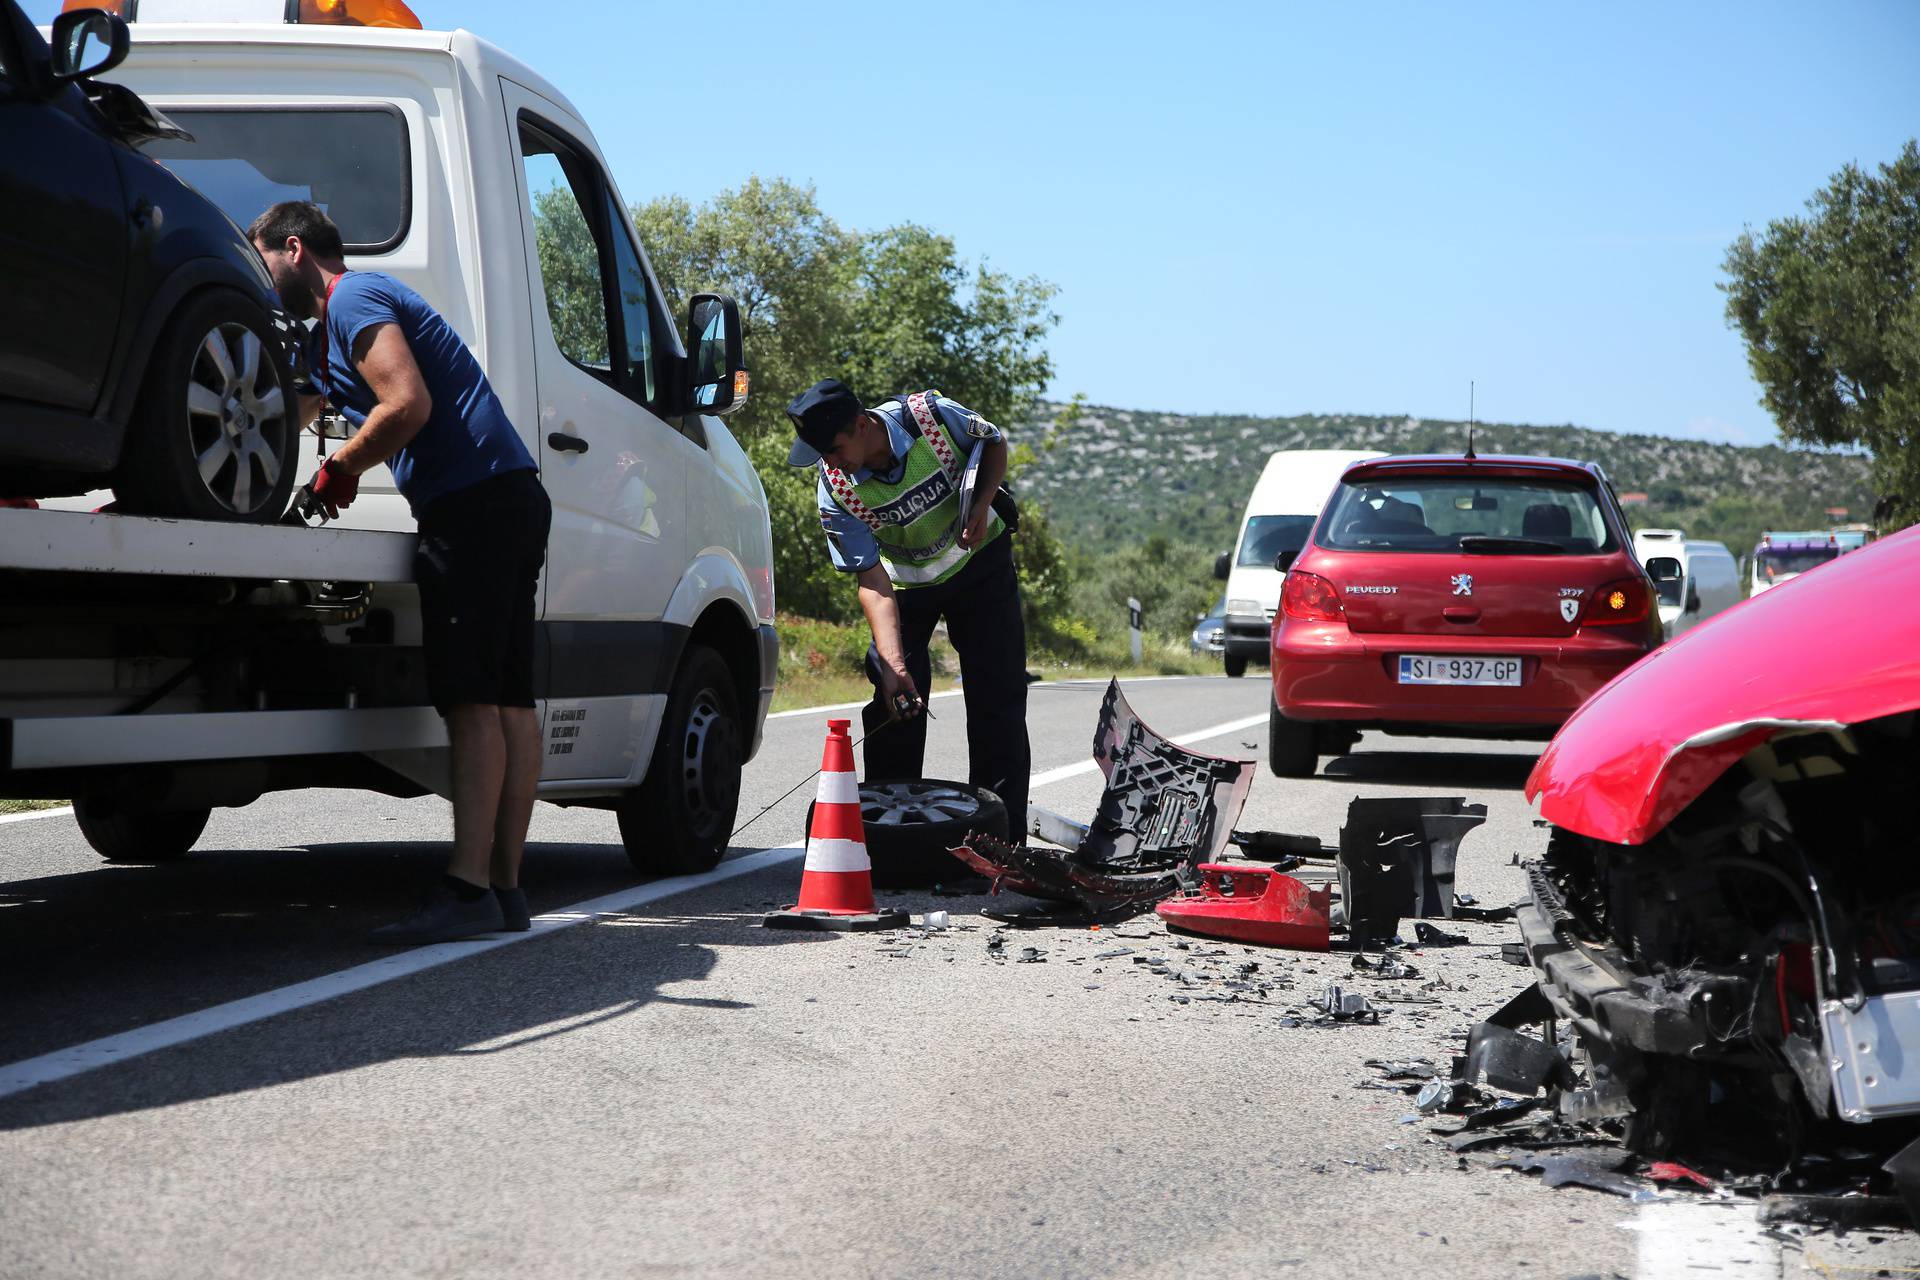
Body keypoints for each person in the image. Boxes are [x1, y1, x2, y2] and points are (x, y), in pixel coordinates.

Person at [250, 201, 550, 945]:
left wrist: (340, 469)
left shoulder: (353, 296)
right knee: (511, 700)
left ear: (294, 249)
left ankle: (467, 891)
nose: (263, 279)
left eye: (263, 262)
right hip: (510, 496)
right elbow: (299, 406)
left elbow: (405, 403)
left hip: (470, 508)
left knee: (473, 703)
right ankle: (506, 890)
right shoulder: (336, 333)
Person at [787, 378, 1030, 837]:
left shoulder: (932, 417)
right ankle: (888, 833)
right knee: (893, 694)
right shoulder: (835, 486)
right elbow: (872, 579)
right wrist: (895, 664)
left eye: (834, 447)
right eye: (820, 453)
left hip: (982, 568)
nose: (830, 461)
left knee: (997, 699)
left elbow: (994, 442)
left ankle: (999, 842)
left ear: (862, 425)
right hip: (908, 587)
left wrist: (980, 504)